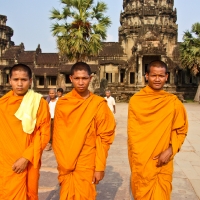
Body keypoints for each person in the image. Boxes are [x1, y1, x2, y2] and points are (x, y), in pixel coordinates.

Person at [53, 62, 116, 200]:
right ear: (71, 78)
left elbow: (104, 138)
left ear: (90, 78)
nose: (81, 82)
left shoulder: (99, 104)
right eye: (77, 78)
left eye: (84, 78)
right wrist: (62, 161)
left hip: (87, 161)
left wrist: (99, 167)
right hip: (66, 162)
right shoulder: (63, 103)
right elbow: (58, 136)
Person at [128, 60, 188, 200]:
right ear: (146, 76)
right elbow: (133, 135)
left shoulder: (173, 102)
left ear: (166, 77)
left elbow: (181, 130)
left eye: (161, 76)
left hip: (163, 162)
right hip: (142, 162)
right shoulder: (136, 101)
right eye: (153, 75)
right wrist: (140, 158)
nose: (157, 79)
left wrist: (171, 150)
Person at [0, 63, 50, 199]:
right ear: (9, 80)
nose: (20, 84)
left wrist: (26, 158)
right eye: (16, 80)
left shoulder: (39, 103)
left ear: (30, 81)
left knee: (29, 194)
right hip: (6, 164)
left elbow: (44, 134)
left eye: (24, 80)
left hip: (29, 160)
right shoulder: (2, 104)